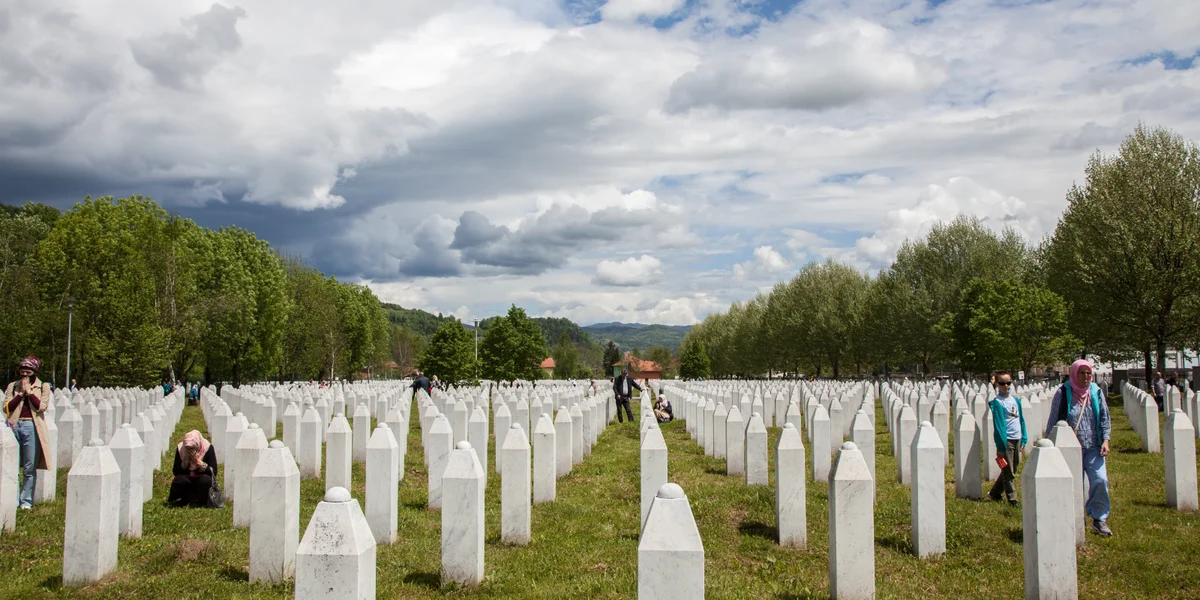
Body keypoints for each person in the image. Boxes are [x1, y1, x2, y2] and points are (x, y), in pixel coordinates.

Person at [1045, 359, 1113, 537]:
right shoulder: (1064, 392)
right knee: (1073, 484)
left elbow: (1105, 417)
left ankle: (1099, 519)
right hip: (1070, 446)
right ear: (1074, 374)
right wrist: (1049, 444)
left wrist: (1106, 439)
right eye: (1082, 373)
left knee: (1100, 480)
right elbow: (1054, 419)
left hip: (1094, 445)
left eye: (1088, 373)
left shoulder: (1096, 392)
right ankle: (1073, 517)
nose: (1086, 376)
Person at [4, 356, 53, 510]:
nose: (25, 375)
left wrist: (29, 393)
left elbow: (41, 407)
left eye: (28, 372)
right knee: (10, 464)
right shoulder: (13, 386)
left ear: (34, 372)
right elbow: (7, 408)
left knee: (29, 466)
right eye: (22, 371)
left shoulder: (43, 387)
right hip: (14, 425)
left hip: (32, 426)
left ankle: (25, 501)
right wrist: (20, 394)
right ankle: (10, 498)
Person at [987, 371, 1027, 506]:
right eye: (1002, 383)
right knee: (1009, 472)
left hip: (1017, 438)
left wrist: (1024, 438)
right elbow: (998, 426)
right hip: (1007, 440)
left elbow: (1021, 420)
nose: (1006, 386)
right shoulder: (997, 403)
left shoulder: (1015, 401)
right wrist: (1000, 447)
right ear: (997, 384)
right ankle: (1013, 499)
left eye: (1008, 383)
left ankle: (994, 493)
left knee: (1012, 468)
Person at [169, 430, 218, 507]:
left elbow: (213, 471)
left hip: (201, 478)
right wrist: (185, 462)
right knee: (180, 481)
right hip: (187, 478)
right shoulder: (181, 449)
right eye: (188, 449)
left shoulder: (207, 448)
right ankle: (185, 499)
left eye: (193, 448)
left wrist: (199, 463)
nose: (190, 451)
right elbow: (176, 471)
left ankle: (202, 500)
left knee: (205, 480)